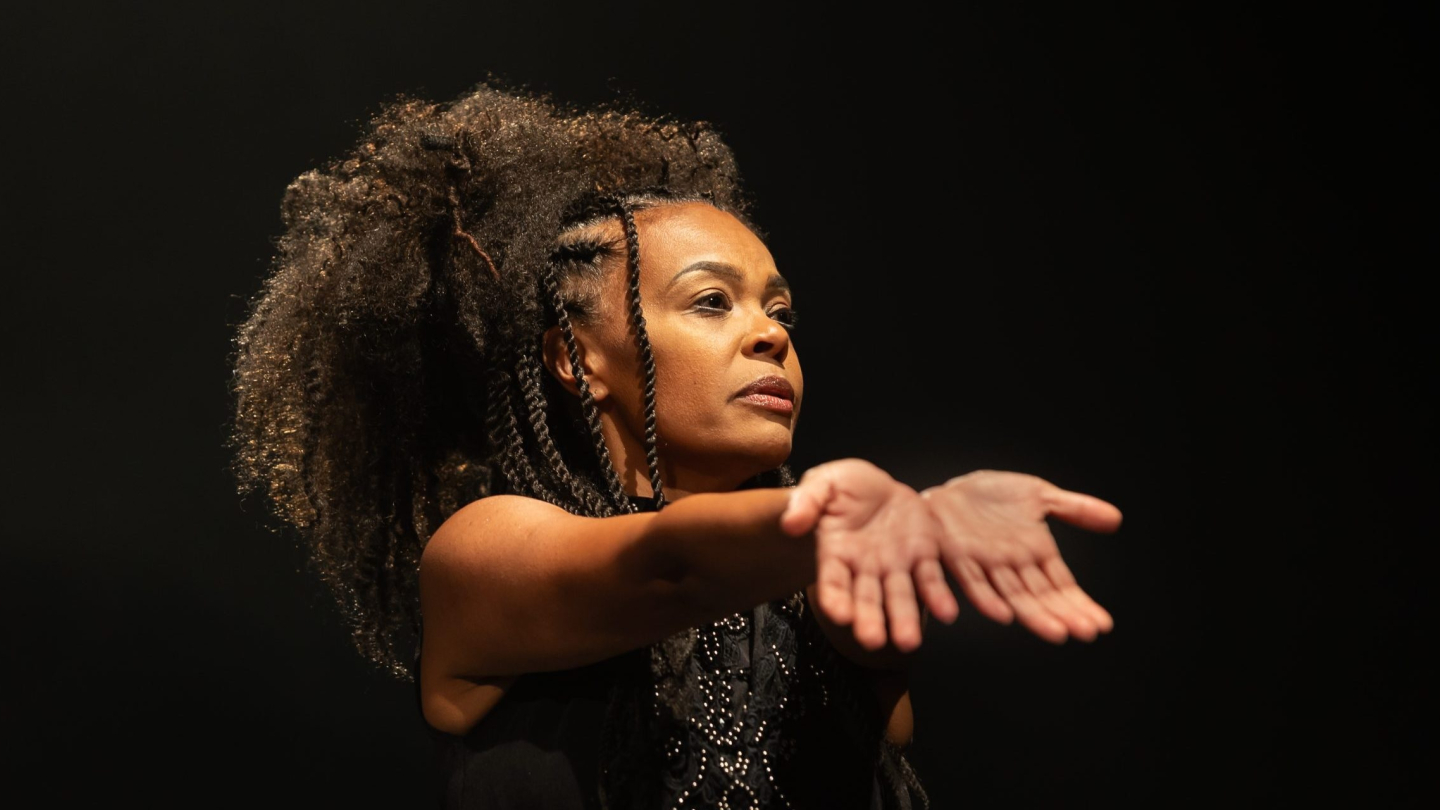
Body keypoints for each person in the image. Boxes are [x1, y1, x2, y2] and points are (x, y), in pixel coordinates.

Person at [227, 80, 1122, 810]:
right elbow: (668, 570)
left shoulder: (821, 590)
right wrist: (864, 518)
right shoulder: (483, 552)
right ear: (576, 359)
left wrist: (907, 532)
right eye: (710, 301)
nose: (771, 334)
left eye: (780, 312)